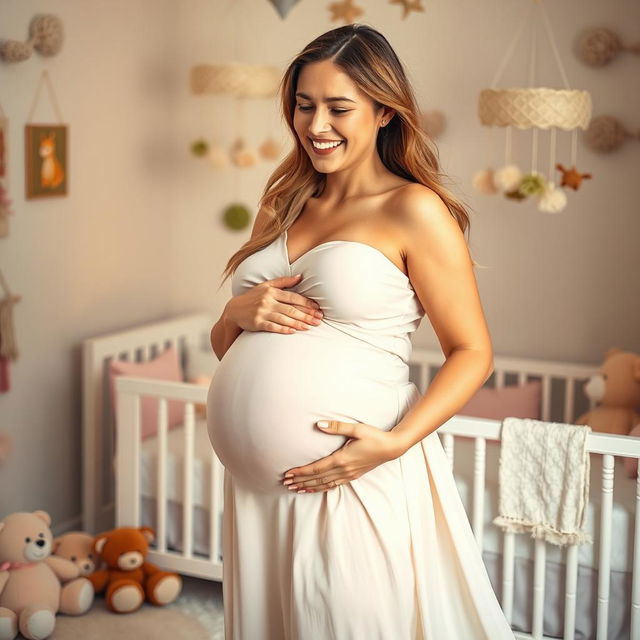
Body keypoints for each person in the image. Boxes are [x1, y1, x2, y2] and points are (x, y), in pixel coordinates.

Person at [207, 23, 515, 640]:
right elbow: (230, 349)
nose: (316, 124)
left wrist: (394, 443)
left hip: (353, 470)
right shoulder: (284, 201)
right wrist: (232, 316)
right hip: (256, 495)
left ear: (383, 112)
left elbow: (472, 352)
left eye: (338, 107)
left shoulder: (414, 210)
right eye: (303, 104)